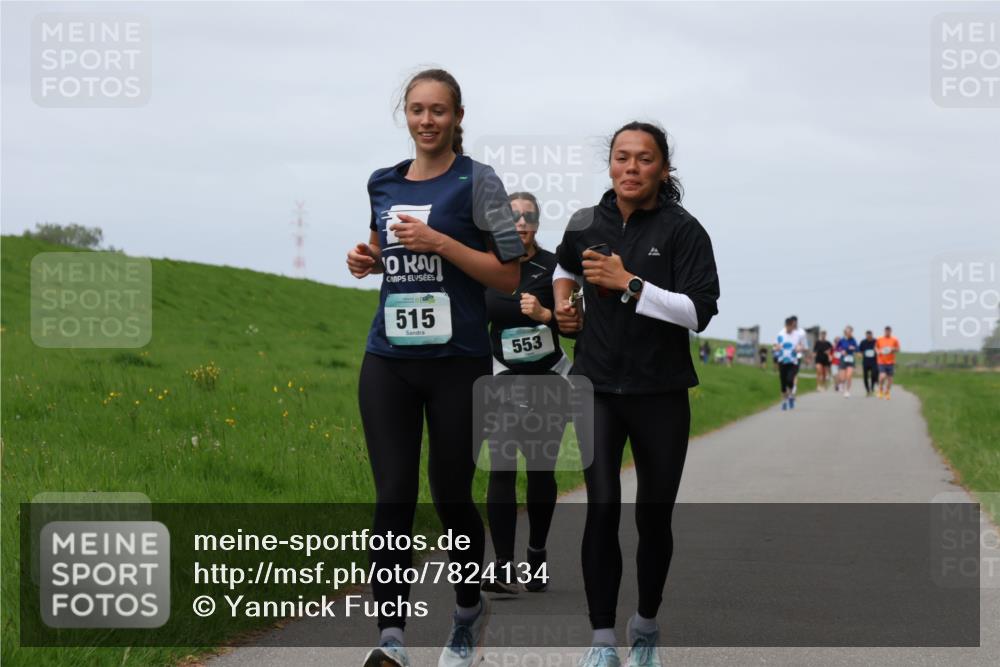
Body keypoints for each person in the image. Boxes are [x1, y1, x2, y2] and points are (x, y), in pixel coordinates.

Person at [347, 68, 525, 667]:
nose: (427, 121)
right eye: (418, 110)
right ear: (406, 114)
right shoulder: (382, 182)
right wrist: (366, 258)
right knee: (392, 496)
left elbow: (508, 272)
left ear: (458, 117)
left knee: (450, 496)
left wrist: (442, 244)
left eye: (439, 111)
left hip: (459, 363)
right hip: (389, 359)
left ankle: (468, 613)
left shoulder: (481, 182)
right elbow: (383, 250)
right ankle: (390, 639)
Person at [552, 121, 719, 667]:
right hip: (595, 386)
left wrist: (630, 283)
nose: (630, 168)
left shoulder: (684, 231)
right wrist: (564, 304)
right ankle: (601, 641)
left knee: (654, 516)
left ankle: (645, 625)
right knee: (601, 508)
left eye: (643, 159)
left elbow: (697, 313)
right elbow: (561, 263)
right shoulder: (586, 222)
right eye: (621, 157)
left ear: (663, 169)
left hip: (660, 393)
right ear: (610, 165)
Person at [482, 191, 572, 597]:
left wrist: (546, 315)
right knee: (501, 466)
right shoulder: (486, 265)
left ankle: (536, 554)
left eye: (528, 216)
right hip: (502, 379)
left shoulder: (554, 267)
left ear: (537, 222)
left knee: (539, 471)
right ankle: (502, 566)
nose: (520, 223)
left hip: (548, 381)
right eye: (512, 217)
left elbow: (576, 324)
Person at [774, 317, 806, 410]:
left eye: (791, 326)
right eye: (788, 327)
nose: (789, 329)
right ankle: (784, 401)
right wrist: (777, 348)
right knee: (783, 383)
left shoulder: (797, 335)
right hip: (782, 360)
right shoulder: (780, 334)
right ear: (785, 325)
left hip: (793, 361)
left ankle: (791, 395)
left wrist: (800, 348)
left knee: (790, 380)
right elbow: (775, 346)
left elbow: (802, 346)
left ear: (793, 326)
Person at [876, 326, 901, 399]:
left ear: (891, 332)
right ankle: (880, 390)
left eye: (889, 331)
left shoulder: (894, 340)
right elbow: (876, 347)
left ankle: (887, 392)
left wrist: (894, 349)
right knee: (882, 376)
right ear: (884, 331)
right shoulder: (879, 339)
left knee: (890, 379)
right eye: (886, 331)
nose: (887, 332)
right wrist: (877, 351)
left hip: (891, 362)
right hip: (881, 361)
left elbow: (898, 349)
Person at [836, 326, 859, 398]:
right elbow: (837, 348)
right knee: (842, 377)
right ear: (845, 332)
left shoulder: (853, 340)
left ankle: (847, 391)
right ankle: (841, 384)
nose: (849, 333)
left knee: (849, 376)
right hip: (843, 359)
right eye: (847, 331)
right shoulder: (842, 340)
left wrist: (854, 348)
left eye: (850, 331)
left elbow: (857, 349)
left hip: (850, 359)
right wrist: (841, 351)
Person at [859, 330, 879, 397]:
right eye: (867, 335)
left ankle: (872, 387)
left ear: (872, 335)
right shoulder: (863, 342)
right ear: (866, 335)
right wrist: (860, 354)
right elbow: (860, 350)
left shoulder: (876, 341)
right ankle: (867, 390)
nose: (869, 337)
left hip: (874, 361)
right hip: (866, 362)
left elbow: (879, 349)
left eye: (870, 335)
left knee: (874, 374)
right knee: (865, 376)